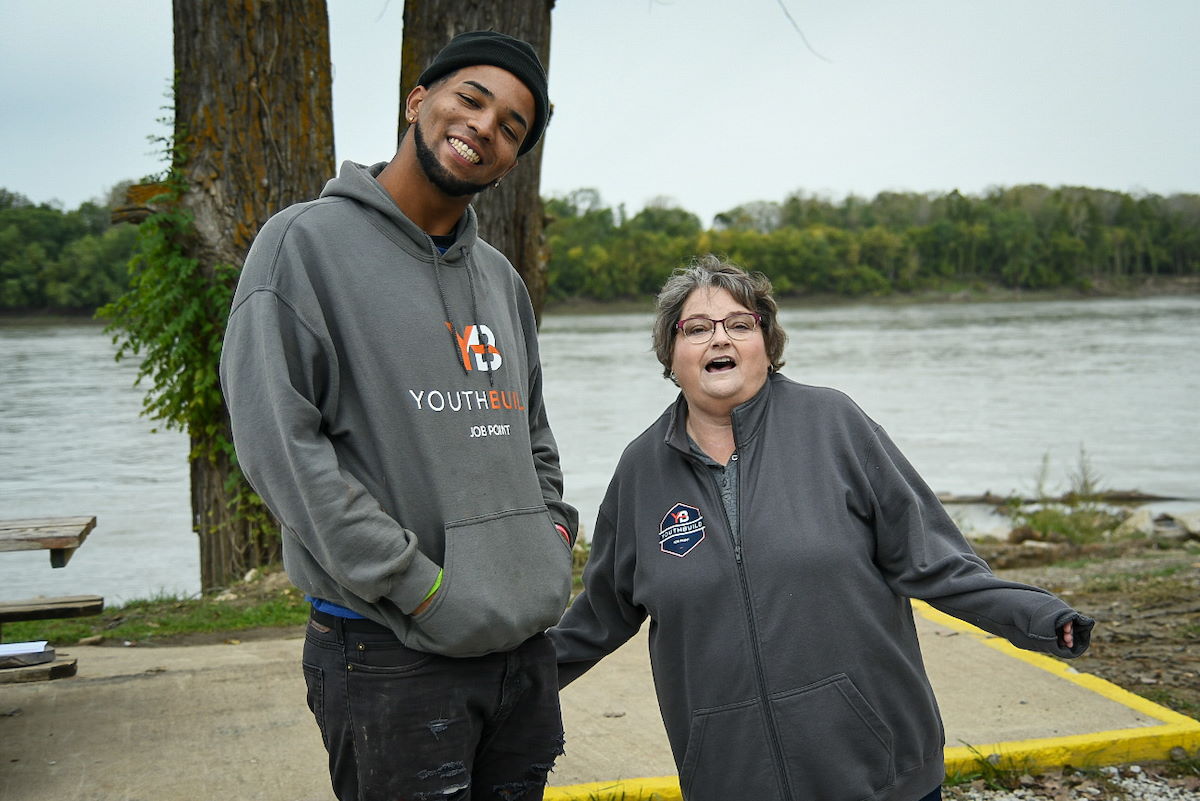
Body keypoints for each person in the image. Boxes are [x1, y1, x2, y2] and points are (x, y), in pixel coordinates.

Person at [547, 255, 1095, 801]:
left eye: (740, 324)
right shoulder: (641, 468)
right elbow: (600, 615)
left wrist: (1039, 616)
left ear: (768, 343)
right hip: (730, 779)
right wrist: (502, 687)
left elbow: (932, 560)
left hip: (878, 773)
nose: (721, 340)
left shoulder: (835, 424)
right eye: (697, 329)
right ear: (671, 353)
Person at [219, 31, 578, 801]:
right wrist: (415, 585)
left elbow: (533, 434)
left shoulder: (500, 281)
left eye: (512, 126)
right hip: (390, 647)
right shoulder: (302, 247)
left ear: (513, 159)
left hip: (521, 651)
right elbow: (282, 447)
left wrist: (549, 539)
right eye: (472, 100)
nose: (485, 128)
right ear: (419, 101)